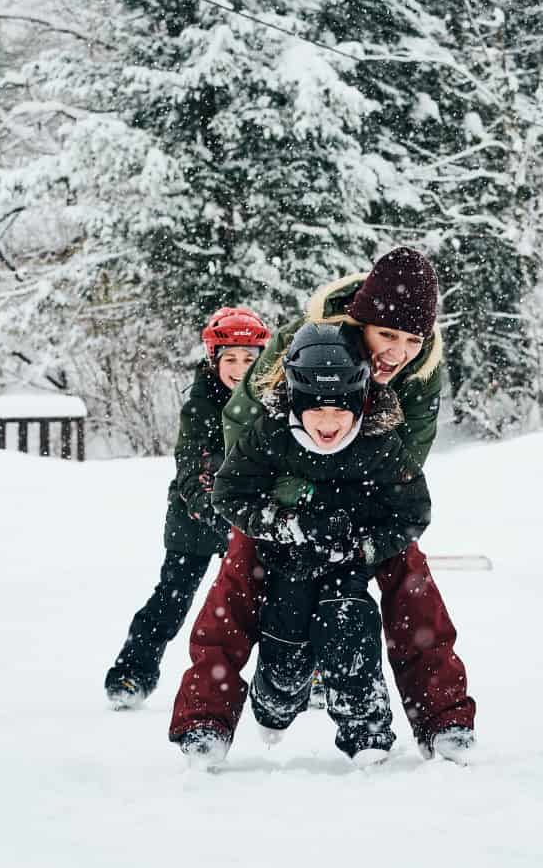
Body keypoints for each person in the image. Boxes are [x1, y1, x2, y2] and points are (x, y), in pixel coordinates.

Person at [169, 247, 478, 763]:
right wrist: (300, 505)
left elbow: (407, 468)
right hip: (278, 491)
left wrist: (361, 526)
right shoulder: (300, 345)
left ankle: (444, 719)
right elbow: (242, 431)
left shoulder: (421, 377)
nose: (397, 352)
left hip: (364, 494)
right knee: (236, 583)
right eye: (387, 336)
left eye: (411, 340)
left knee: (411, 582)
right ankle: (206, 719)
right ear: (359, 322)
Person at [177, 323, 431, 768]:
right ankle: (270, 702)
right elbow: (229, 494)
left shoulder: (379, 443)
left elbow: (413, 512)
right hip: (283, 563)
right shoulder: (269, 433)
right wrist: (287, 524)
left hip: (347, 559)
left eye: (340, 410)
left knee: (351, 624)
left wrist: (361, 546)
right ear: (295, 400)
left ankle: (365, 729)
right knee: (284, 643)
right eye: (316, 410)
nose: (328, 424)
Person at [103, 306, 269, 709]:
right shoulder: (200, 405)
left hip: (251, 518)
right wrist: (218, 516)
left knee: (279, 596)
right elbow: (193, 468)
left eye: (249, 360)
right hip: (195, 519)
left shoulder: (270, 400)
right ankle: (133, 671)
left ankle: (302, 674)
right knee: (173, 596)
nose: (239, 368)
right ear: (214, 360)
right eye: (230, 359)